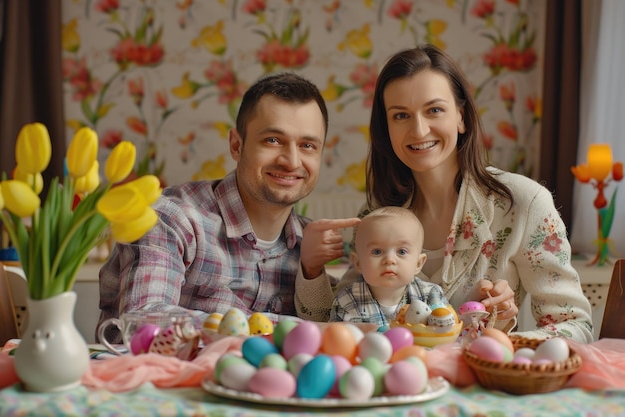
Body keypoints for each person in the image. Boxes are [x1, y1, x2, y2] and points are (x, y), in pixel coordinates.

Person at [297, 44, 593, 343]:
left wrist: (501, 340)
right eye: (400, 116)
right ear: (386, 128)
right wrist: (310, 270)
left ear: (461, 117)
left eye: (434, 110)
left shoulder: (523, 203)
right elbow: (338, 322)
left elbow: (576, 327)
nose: (419, 130)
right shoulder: (377, 211)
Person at [98, 72, 358, 342]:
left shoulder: (309, 246)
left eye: (307, 145)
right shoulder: (171, 217)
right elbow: (142, 322)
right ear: (236, 145)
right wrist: (299, 330)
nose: (292, 161)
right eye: (272, 140)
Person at [330, 206, 448, 328]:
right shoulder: (346, 301)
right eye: (377, 252)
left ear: (418, 264)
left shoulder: (431, 296)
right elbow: (335, 341)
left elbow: (446, 333)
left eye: (401, 252)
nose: (389, 260)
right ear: (358, 263)